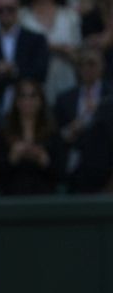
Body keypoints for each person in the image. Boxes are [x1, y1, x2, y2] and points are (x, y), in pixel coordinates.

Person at [19, 0, 82, 103]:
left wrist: (46, 47)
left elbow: (77, 53)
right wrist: (56, 48)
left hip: (66, 77)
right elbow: (22, 52)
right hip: (34, 84)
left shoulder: (70, 16)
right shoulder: (22, 16)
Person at [55, 46, 113, 191]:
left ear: (102, 66)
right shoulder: (65, 99)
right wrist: (70, 130)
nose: (87, 68)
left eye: (91, 63)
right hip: (76, 166)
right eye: (82, 64)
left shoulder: (110, 96)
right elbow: (56, 135)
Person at [0, 78, 59, 195]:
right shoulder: (2, 132)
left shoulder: (52, 133)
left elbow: (61, 174)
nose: (28, 101)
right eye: (23, 96)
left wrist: (44, 159)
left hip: (44, 198)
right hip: (11, 198)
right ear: (16, 101)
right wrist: (12, 158)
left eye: (33, 96)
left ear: (41, 100)